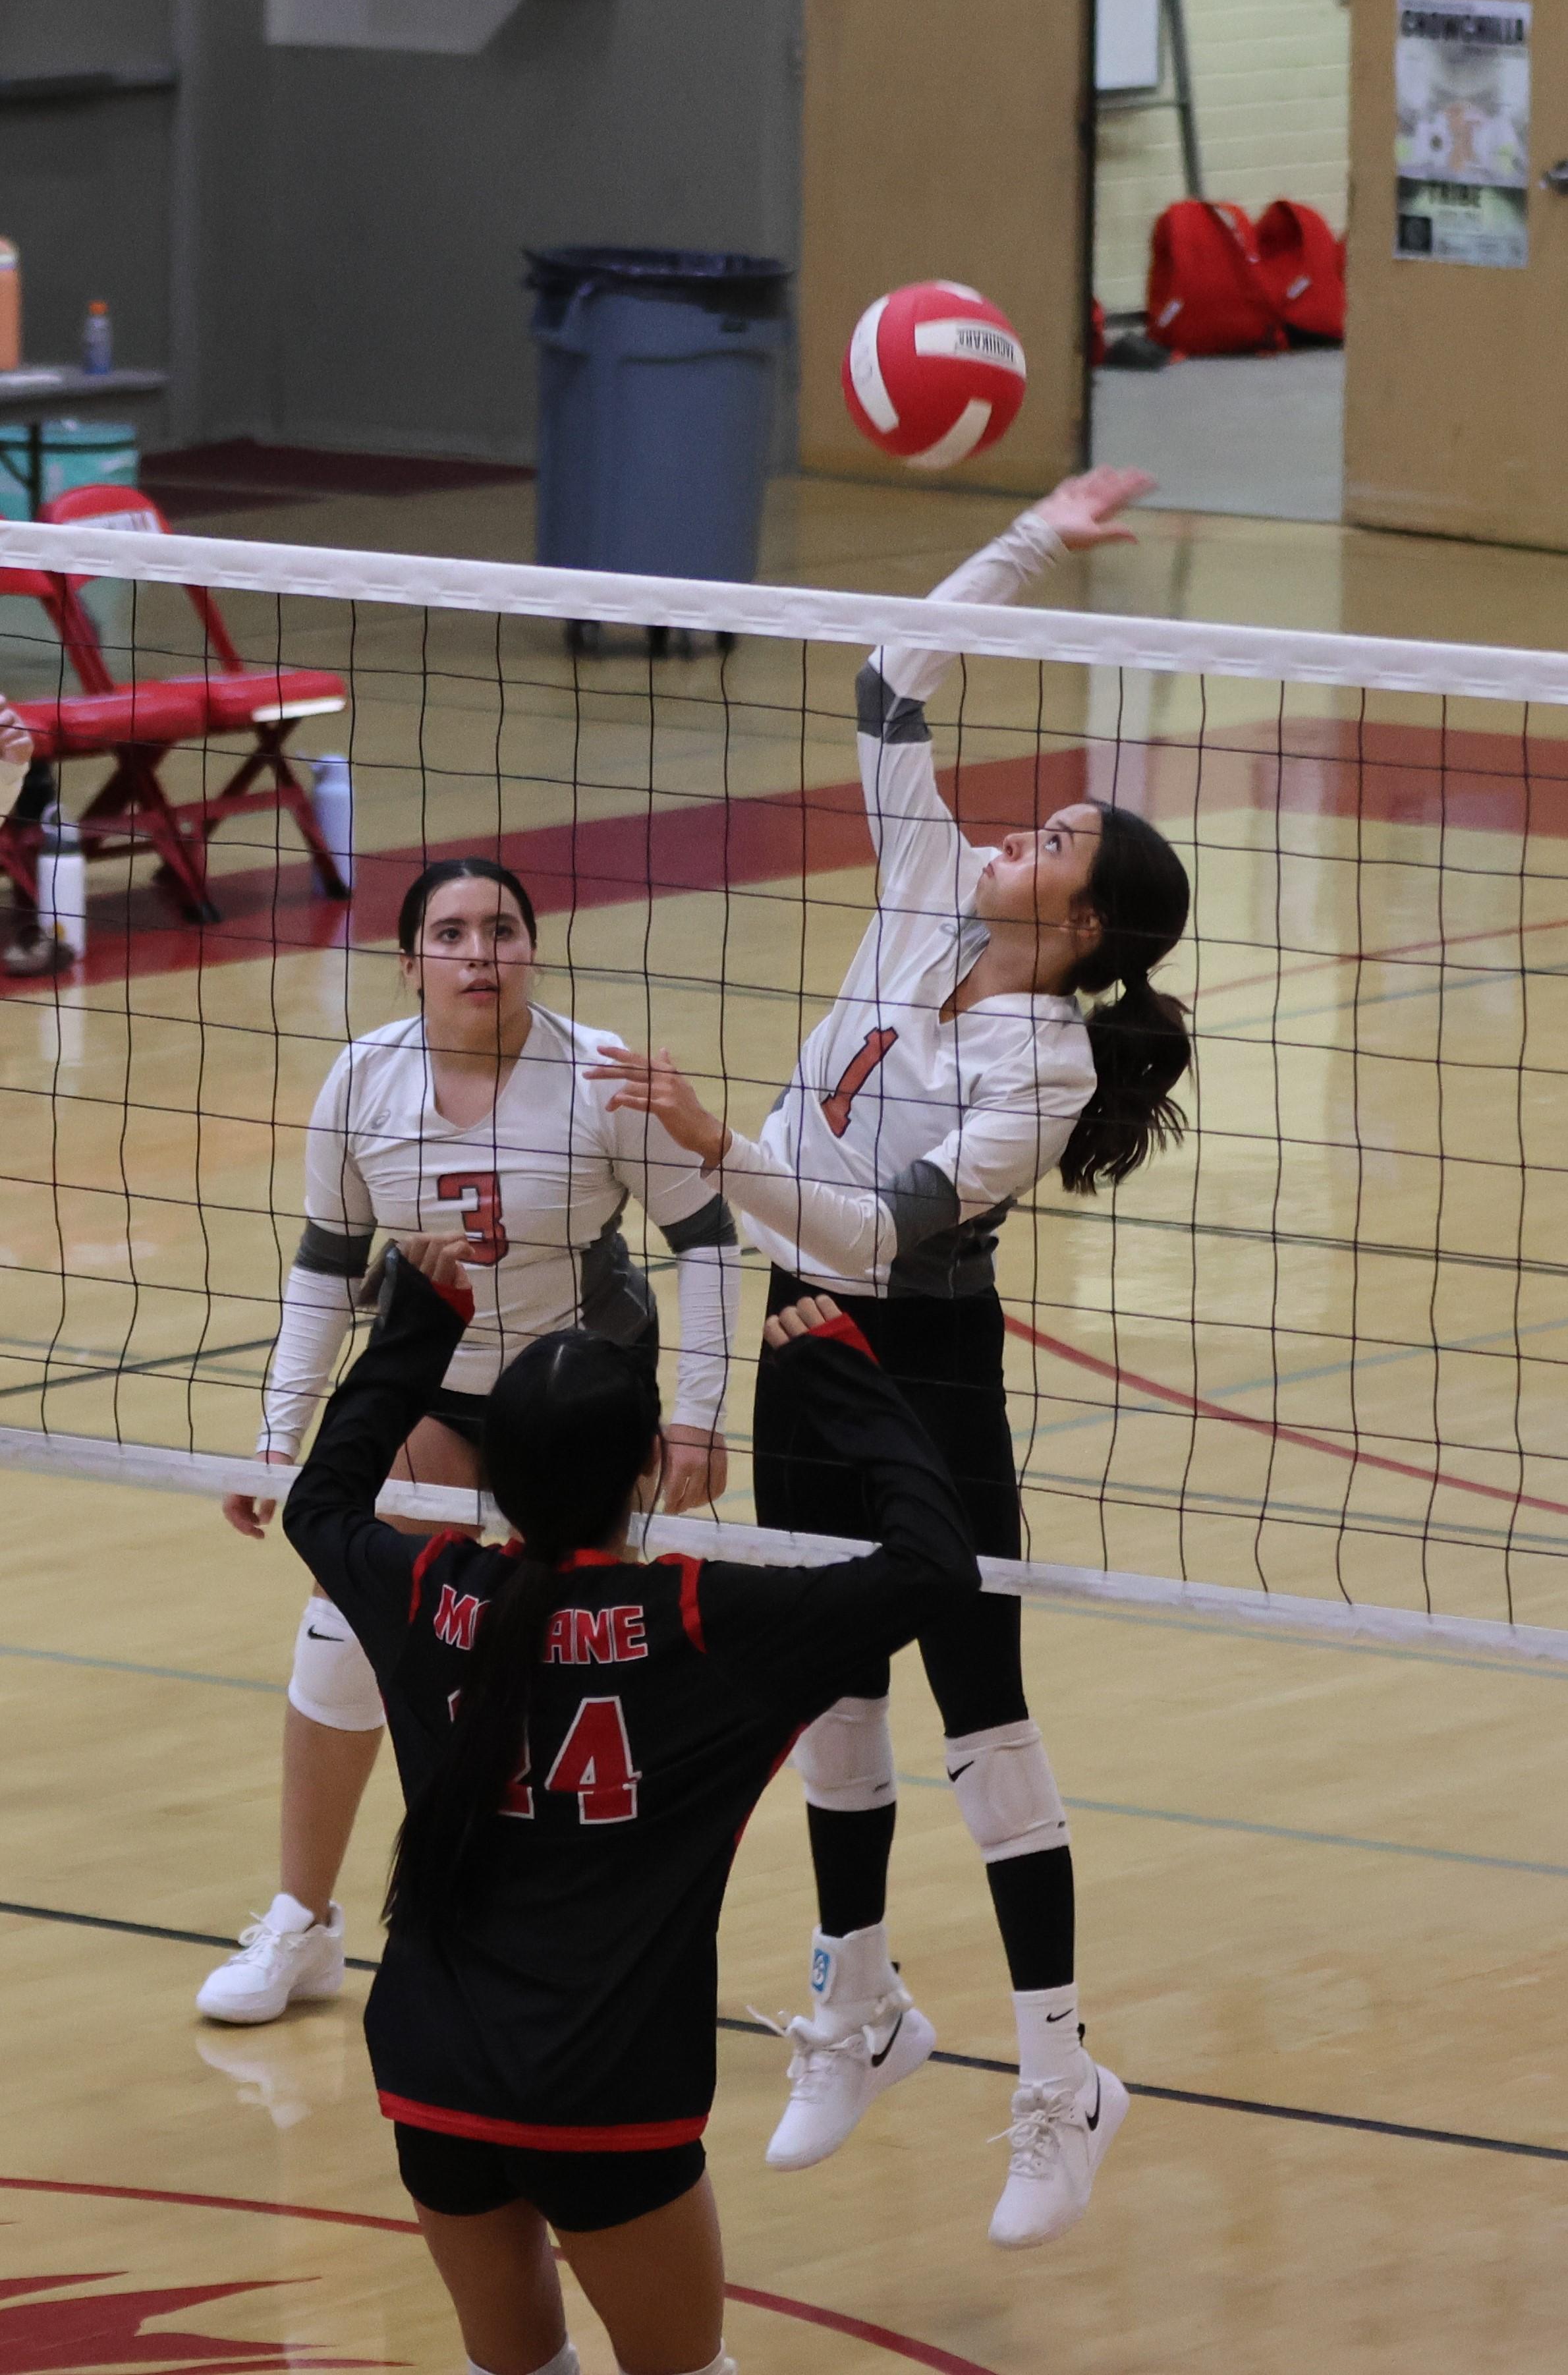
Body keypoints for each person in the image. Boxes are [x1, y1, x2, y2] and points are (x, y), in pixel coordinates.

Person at [594, 466, 1192, 2251]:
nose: (1015, 832)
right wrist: (1033, 536)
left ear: (1079, 928)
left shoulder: (1047, 1067)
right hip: (797, 1339)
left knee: (977, 1713)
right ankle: (856, 2006)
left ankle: (1061, 2075)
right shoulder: (930, 876)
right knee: (822, 1693)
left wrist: (716, 1144)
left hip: (916, 1366)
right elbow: (887, 676)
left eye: (1054, 842)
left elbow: (879, 1237)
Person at [282, 1234, 980, 2375]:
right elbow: (936, 1568)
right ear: (650, 1467)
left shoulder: (424, 1588)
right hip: (605, 2096)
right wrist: (854, 1388)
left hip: (436, 2078)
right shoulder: (709, 1627)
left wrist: (418, 1324)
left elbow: (321, 1500)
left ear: (496, 1476)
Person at [198, 857, 741, 2028]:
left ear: (532, 952)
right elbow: (329, 1268)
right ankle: (305, 1923)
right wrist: (275, 1437)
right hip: (435, 1398)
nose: (481, 952)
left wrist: (698, 1414)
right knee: (350, 1613)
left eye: (503, 930)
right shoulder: (362, 1080)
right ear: (411, 965)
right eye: (452, 934)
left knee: (580, 1655)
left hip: (584, 1406)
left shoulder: (597, 1074)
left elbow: (707, 1235)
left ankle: (587, 1933)